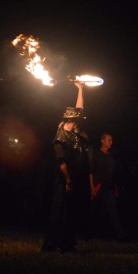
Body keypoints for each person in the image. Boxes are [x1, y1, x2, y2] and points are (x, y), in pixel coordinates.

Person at [41, 82, 92, 253]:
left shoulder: (74, 133)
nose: (80, 120)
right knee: (59, 212)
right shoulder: (61, 137)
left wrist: (80, 89)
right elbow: (61, 163)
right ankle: (51, 244)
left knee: (71, 213)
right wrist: (68, 181)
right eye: (77, 119)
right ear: (70, 120)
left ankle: (67, 244)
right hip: (64, 180)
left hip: (74, 179)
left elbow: (80, 109)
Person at [90, 133, 130, 242]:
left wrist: (115, 184)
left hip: (109, 188)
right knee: (94, 210)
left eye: (111, 140)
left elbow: (113, 172)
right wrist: (92, 187)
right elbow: (91, 172)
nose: (111, 142)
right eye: (109, 140)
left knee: (113, 211)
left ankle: (121, 236)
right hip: (99, 187)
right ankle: (87, 233)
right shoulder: (97, 154)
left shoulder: (111, 155)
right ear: (102, 141)